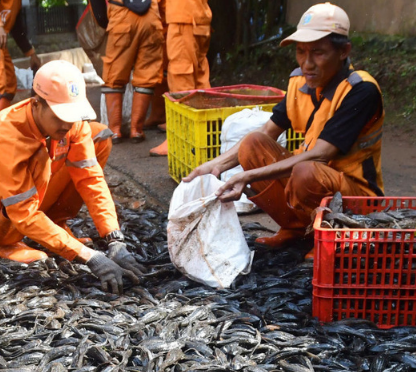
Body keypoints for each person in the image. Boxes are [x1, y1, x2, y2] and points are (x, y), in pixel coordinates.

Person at [182, 3, 382, 254]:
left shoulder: (360, 90)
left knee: (305, 172)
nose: (307, 63)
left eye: (318, 52)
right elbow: (266, 133)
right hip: (314, 181)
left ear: (344, 51)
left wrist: (247, 176)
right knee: (252, 144)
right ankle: (297, 228)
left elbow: (321, 154)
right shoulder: (300, 83)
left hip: (356, 196)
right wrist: (217, 165)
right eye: (301, 51)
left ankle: (331, 239)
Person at [0, 60, 145, 292]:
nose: (67, 124)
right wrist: (89, 256)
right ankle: (4, 243)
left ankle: (55, 224)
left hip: (30, 202)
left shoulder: (72, 124)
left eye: (72, 116)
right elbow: (22, 210)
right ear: (36, 104)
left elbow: (90, 179)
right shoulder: (7, 132)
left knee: (98, 135)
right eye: (59, 116)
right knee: (38, 158)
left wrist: (114, 238)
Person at [149, 0, 211, 157]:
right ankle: (206, 133)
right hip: (198, 16)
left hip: (181, 19)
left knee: (181, 77)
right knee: (199, 77)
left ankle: (181, 139)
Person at [101, 0, 165, 143]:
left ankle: (115, 131)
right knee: (146, 75)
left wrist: (106, 22)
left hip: (121, 17)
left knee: (114, 75)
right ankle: (136, 130)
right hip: (151, 18)